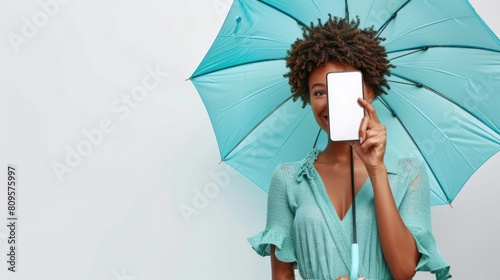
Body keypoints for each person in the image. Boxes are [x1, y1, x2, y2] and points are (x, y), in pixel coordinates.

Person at [247, 16, 451, 280]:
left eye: (342, 90)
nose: (331, 103)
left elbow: (404, 271)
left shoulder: (409, 174)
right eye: (319, 92)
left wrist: (376, 170)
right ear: (307, 97)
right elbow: (281, 276)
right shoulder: (287, 179)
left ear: (370, 93)